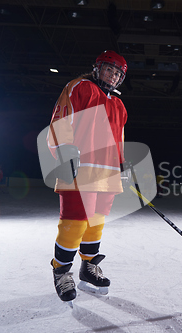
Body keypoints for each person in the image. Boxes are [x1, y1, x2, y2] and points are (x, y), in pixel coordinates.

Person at [46, 50, 128, 302]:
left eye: (118, 73)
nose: (113, 76)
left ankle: (89, 267)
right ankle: (61, 272)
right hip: (79, 169)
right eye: (109, 69)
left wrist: (122, 163)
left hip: (107, 173)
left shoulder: (118, 104)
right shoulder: (80, 87)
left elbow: (118, 137)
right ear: (97, 67)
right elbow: (61, 118)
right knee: (75, 222)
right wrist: (65, 149)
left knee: (96, 222)